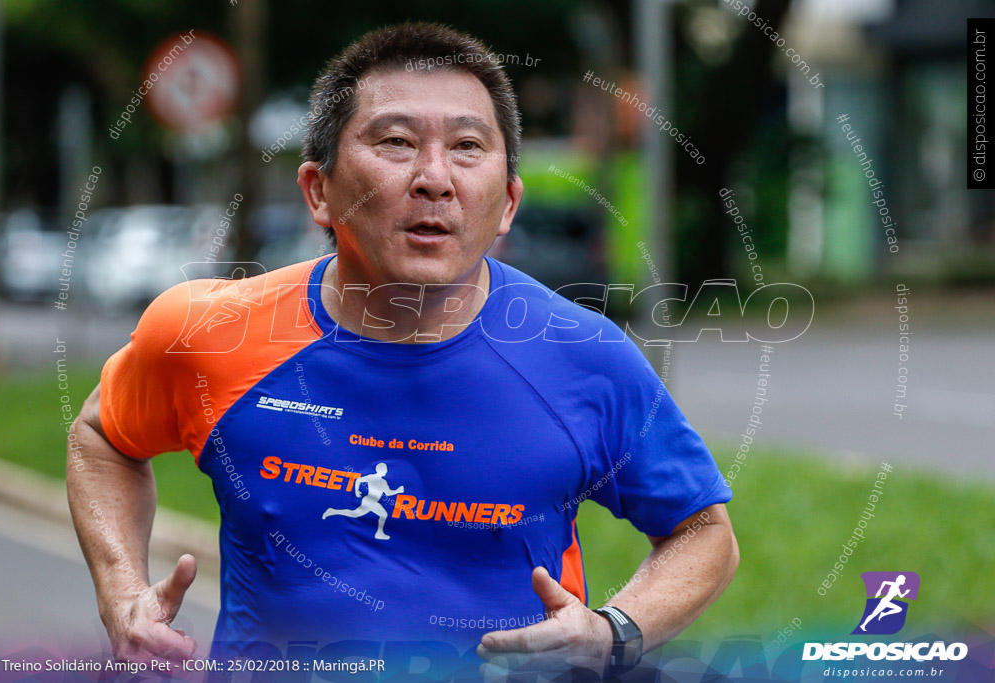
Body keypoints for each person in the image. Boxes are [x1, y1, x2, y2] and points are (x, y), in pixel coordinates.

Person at [67, 21, 739, 680]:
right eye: (395, 141)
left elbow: (704, 532)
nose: (435, 178)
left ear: (506, 204)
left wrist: (613, 630)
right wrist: (121, 592)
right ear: (317, 191)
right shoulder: (208, 331)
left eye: (468, 146)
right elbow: (102, 436)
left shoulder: (585, 356)